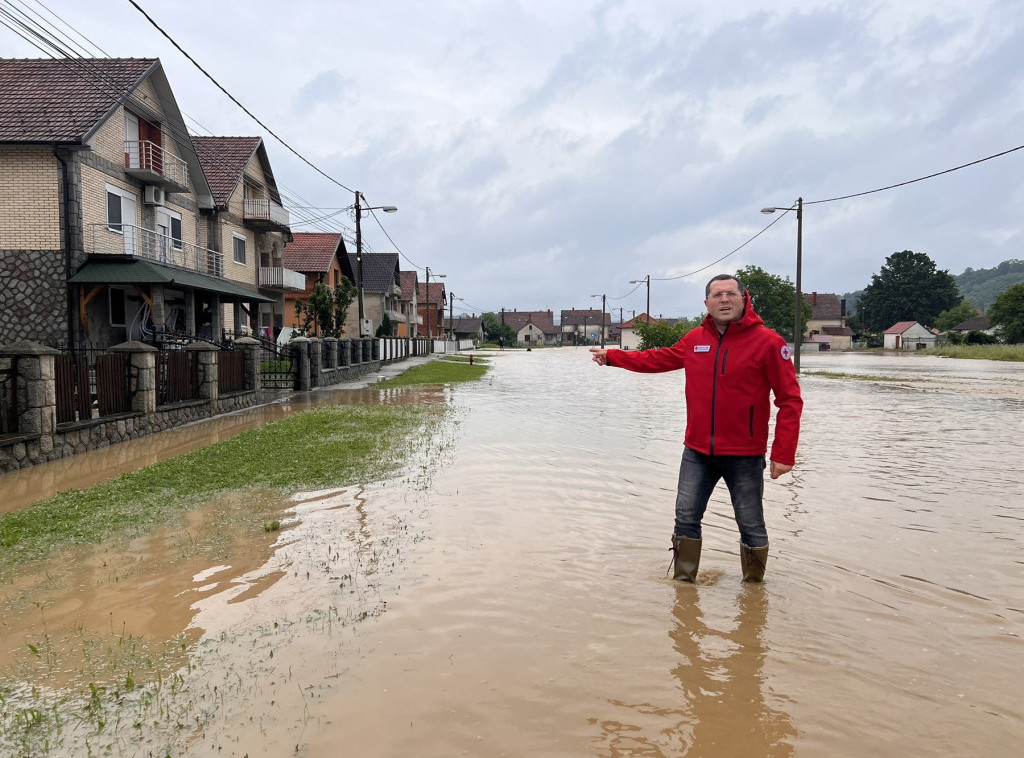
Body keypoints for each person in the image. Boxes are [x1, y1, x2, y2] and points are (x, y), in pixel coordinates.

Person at [590, 274, 803, 583]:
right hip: (697, 451)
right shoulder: (695, 340)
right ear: (707, 303)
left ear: (745, 299)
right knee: (686, 518)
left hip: (744, 454)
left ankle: (754, 591)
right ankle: (683, 586)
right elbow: (657, 359)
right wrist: (613, 357)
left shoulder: (769, 343)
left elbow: (790, 400)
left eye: (731, 293)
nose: (725, 299)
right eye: (717, 295)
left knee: (751, 524)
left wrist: (783, 453)